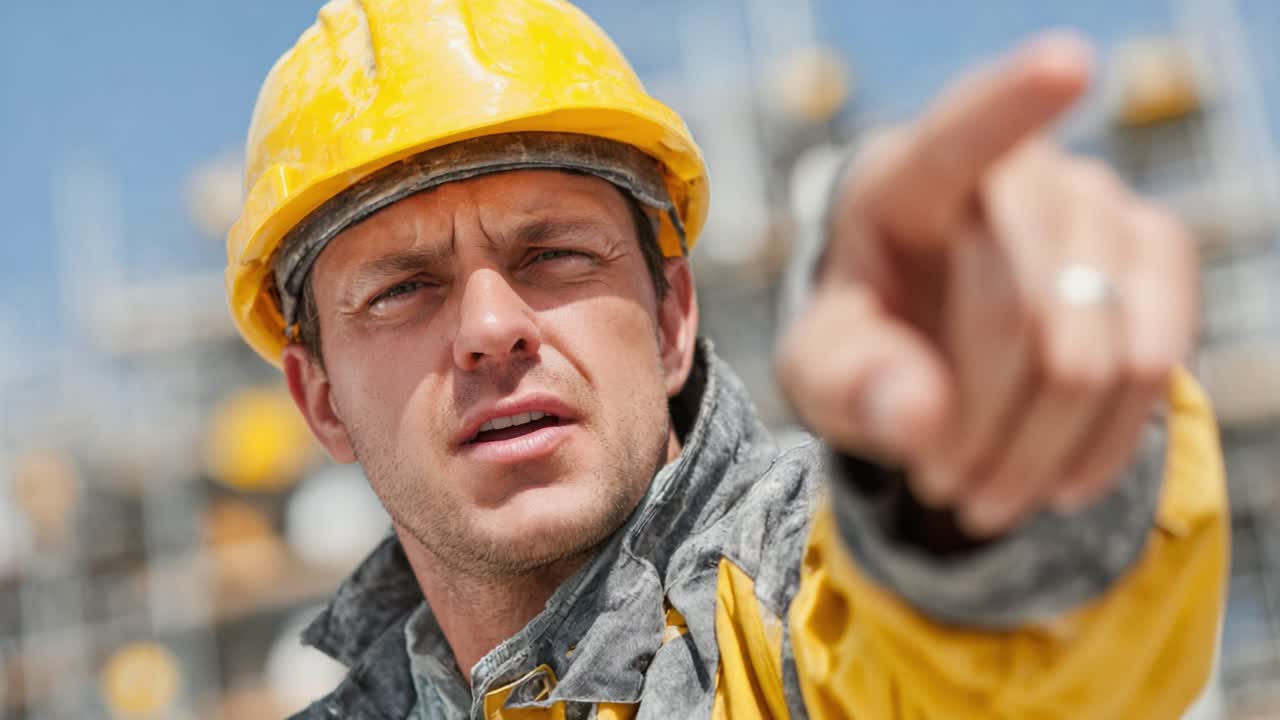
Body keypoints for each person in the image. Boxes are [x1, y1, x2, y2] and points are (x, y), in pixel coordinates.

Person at [224, 1, 1225, 717]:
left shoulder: (801, 609)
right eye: (402, 288)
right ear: (321, 402)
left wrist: (986, 474)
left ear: (672, 318)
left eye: (554, 253)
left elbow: (993, 667)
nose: (491, 324)